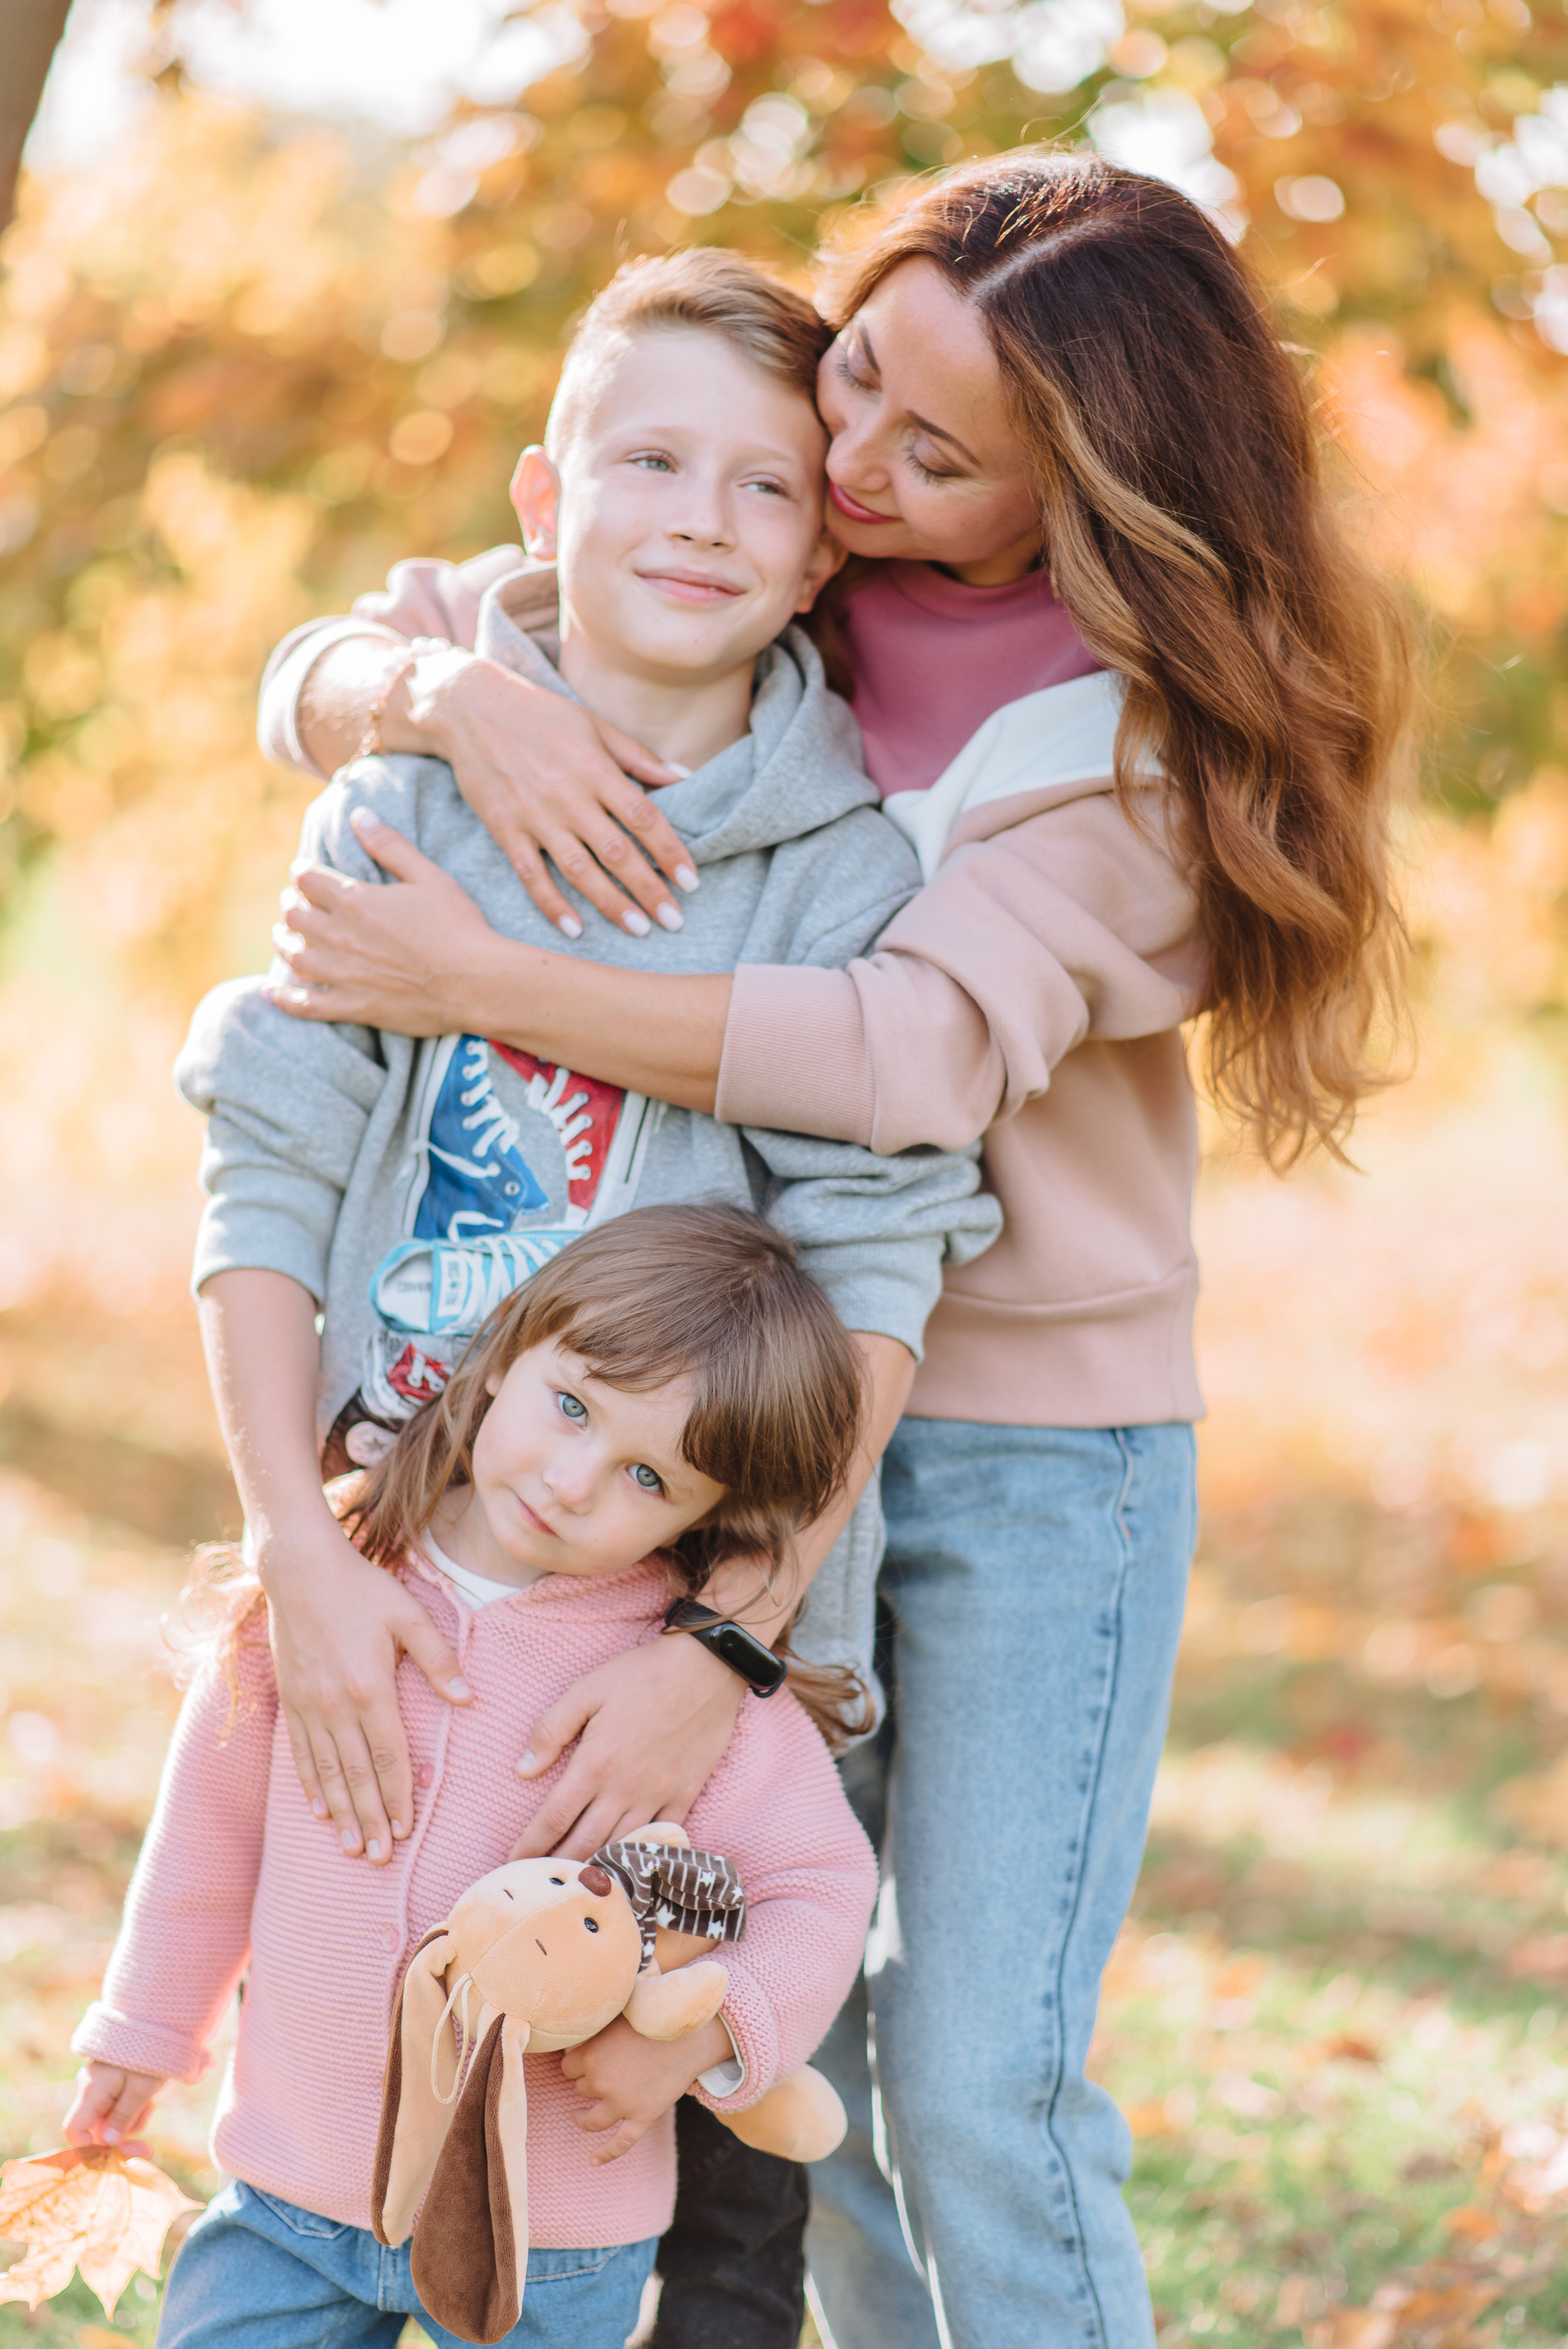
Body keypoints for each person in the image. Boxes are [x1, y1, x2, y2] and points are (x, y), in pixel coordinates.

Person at [258, 153, 1411, 2349]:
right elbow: (349, 655)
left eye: (934, 451)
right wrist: (441, 702)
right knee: (801, 2063)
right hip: (711, 1425)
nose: (853, 467)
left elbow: (901, 1055)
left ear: (1085, 491)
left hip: (1015, 1457)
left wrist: (474, 976)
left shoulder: (1137, 746)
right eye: (855, 381)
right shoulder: (771, 561)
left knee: (973, 2072)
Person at [183, 243, 997, 2349]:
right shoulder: (413, 782)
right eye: (652, 461)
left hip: (678, 1625)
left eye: (763, 487)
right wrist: (295, 1544)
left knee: (659, 2157)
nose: (702, 519)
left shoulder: (842, 874)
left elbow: (876, 1295)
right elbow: (262, 1186)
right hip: (396, 1571)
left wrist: (728, 1647)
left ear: (824, 550)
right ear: (545, 503)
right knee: (347, 2062)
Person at [66, 1207, 881, 2349]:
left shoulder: (680, 1695)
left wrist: (704, 2039)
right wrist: (144, 2032)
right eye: (572, 1406)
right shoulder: (330, 1597)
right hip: (288, 2194)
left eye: (648, 1474)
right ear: (504, 1357)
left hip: (555, 2238)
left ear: (713, 1514)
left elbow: (821, 1884)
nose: (575, 1478)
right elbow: (209, 1834)